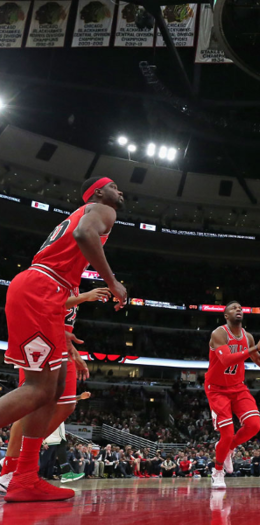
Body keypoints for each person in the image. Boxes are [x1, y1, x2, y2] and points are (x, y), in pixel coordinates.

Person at [0, 177, 126, 502]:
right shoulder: (102, 211)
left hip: (46, 295)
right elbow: (84, 234)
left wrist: (66, 341)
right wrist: (113, 282)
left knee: (53, 391)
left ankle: (25, 476)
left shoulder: (85, 214)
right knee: (38, 389)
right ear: (99, 192)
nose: (120, 191)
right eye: (114, 186)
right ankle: (18, 472)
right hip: (41, 290)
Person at [0, 287, 110, 492]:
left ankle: (20, 465)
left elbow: (60, 320)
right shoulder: (54, 275)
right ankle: (10, 468)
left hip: (59, 340)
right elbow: (46, 306)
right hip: (40, 337)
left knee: (66, 405)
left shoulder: (72, 281)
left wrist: (73, 351)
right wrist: (84, 297)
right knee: (31, 403)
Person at [206, 301, 260, 489]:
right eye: (233, 308)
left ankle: (230, 448)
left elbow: (258, 359)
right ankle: (218, 471)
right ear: (226, 316)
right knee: (227, 433)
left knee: (254, 425)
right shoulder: (219, 333)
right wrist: (254, 349)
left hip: (238, 387)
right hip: (217, 389)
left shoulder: (248, 337)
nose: (238, 309)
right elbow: (227, 359)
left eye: (240, 307)